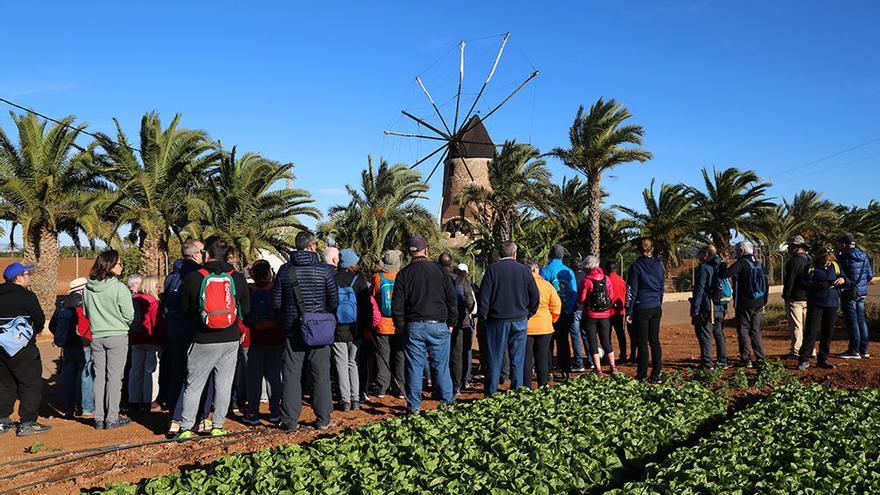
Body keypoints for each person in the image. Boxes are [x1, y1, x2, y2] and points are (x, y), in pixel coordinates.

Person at [175, 238, 250, 438]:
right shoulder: (237, 277)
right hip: (230, 337)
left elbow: (183, 308)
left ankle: (186, 428)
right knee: (224, 383)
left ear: (207, 255)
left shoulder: (194, 277)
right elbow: (246, 309)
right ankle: (218, 425)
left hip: (202, 338)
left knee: (194, 384)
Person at [275, 231, 338, 431]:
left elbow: (276, 303)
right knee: (321, 375)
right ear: (313, 246)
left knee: (291, 375)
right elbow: (334, 301)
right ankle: (323, 419)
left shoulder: (285, 271)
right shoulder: (325, 270)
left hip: (292, 330)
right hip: (320, 330)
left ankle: (290, 421)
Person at [392, 235, 458, 414]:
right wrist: (452, 322)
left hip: (414, 326)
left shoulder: (404, 274)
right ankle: (447, 404)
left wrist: (400, 326)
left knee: (414, 367)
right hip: (438, 325)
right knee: (441, 367)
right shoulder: (441, 271)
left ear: (409, 253)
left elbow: (397, 304)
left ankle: (413, 407)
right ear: (426, 250)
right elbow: (452, 299)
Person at [478, 241, 539, 395]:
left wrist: (485, 317)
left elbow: (484, 298)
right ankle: (517, 391)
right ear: (515, 254)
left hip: (497, 320)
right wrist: (528, 313)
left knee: (495, 358)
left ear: (500, 253)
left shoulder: (492, 270)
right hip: (519, 320)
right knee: (517, 359)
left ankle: (491, 393)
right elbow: (535, 296)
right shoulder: (524, 271)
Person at [83, 250, 135, 429]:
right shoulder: (119, 288)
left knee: (99, 377)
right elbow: (129, 314)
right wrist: (121, 323)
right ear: (110, 265)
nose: (122, 266)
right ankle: (112, 417)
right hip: (117, 335)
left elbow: (86, 313)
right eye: (119, 263)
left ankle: (99, 417)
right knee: (114, 378)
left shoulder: (87, 288)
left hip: (97, 336)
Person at [0, 262, 50, 436]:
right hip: (22, 348)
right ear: (19, 278)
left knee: (5, 383)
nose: (30, 277)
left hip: (0, 348)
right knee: (30, 382)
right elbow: (39, 319)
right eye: (28, 274)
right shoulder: (27, 296)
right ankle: (28, 422)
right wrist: (32, 333)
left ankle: (2, 420)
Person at [163, 238, 206, 431]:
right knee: (194, 375)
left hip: (173, 330)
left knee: (177, 371)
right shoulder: (197, 274)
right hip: (191, 330)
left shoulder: (171, 276)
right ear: (196, 255)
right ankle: (189, 417)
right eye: (203, 252)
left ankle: (174, 412)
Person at [242, 260, 284, 426]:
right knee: (274, 377)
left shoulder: (249, 291)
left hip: (254, 339)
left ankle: (252, 412)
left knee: (254, 377)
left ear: (253, 274)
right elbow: (282, 311)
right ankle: (275, 413)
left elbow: (244, 313)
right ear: (269, 272)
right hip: (275, 338)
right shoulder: (275, 290)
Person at [331, 248, 371, 412]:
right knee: (353, 363)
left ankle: (345, 400)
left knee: (340, 364)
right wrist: (366, 326)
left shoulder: (332, 279)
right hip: (356, 329)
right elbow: (367, 306)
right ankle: (356, 399)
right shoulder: (359, 280)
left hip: (338, 328)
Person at [50, 277, 94, 419]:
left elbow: (52, 325)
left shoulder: (62, 303)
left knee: (67, 377)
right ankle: (86, 408)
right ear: (82, 289)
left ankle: (68, 407)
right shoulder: (86, 303)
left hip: (68, 346)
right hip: (85, 344)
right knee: (86, 376)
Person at [797, 249, 847, 371]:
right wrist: (819, 285)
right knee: (811, 332)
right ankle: (804, 359)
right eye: (825, 262)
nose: (827, 264)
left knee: (827, 332)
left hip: (832, 303)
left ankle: (823, 358)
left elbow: (845, 279)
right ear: (818, 259)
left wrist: (842, 280)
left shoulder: (835, 266)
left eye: (828, 262)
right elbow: (802, 284)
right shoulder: (811, 268)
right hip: (816, 303)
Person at [722, 240, 768, 368]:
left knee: (743, 330)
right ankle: (760, 359)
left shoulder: (741, 263)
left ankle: (746, 359)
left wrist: (722, 265)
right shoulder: (759, 264)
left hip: (745, 303)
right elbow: (766, 283)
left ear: (742, 251)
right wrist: (764, 301)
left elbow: (725, 274)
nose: (735, 253)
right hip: (758, 302)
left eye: (736, 250)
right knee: (755, 331)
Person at [625, 238, 665, 382]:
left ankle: (642, 374)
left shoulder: (636, 266)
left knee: (642, 342)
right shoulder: (659, 265)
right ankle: (657, 373)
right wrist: (658, 303)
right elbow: (661, 287)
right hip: (655, 306)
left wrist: (628, 310)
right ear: (652, 248)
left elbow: (631, 290)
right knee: (654, 340)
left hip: (641, 307)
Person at [372, 250, 406, 399]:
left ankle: (381, 388)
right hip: (400, 323)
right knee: (400, 355)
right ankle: (401, 387)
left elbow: (373, 297)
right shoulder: (402, 276)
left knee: (383, 356)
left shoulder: (377, 278)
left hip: (382, 324)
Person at [540, 245, 578, 376]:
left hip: (549, 312)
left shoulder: (545, 271)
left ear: (550, 255)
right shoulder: (569, 271)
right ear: (562, 256)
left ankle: (549, 369)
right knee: (564, 341)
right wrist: (568, 309)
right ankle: (565, 370)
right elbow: (574, 293)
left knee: (548, 342)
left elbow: (541, 290)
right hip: (566, 312)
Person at [690, 245, 728, 370]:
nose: (698, 255)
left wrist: (695, 308)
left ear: (706, 254)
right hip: (719, 306)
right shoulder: (720, 267)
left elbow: (700, 289)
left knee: (705, 334)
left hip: (707, 307)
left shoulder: (704, 268)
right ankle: (723, 361)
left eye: (700, 252)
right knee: (718, 334)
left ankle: (707, 363)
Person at [524, 259, 560, 388]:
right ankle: (543, 385)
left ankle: (526, 387)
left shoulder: (522, 285)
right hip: (544, 327)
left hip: (526, 326)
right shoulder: (547, 285)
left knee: (526, 360)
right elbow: (556, 306)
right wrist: (552, 320)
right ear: (536, 269)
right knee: (542, 358)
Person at [579, 256, 618, 375]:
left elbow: (581, 298)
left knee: (593, 342)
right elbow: (611, 295)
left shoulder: (586, 280)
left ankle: (598, 369)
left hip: (590, 315)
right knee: (606, 341)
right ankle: (613, 366)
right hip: (605, 314)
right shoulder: (606, 278)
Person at [129, 276, 163, 412]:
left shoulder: (133, 300)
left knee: (135, 370)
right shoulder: (153, 302)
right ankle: (150, 400)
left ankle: (133, 399)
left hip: (135, 339)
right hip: (151, 339)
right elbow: (156, 323)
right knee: (151, 372)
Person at [836, 234, 873, 359]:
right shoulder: (864, 255)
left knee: (852, 321)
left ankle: (854, 350)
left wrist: (848, 283)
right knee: (861, 321)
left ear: (845, 244)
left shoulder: (843, 256)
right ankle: (864, 349)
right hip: (861, 292)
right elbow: (870, 276)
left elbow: (839, 274)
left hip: (849, 292)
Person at [782, 236, 813, 359]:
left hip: (795, 298)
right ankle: (810, 350)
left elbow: (790, 281)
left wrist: (787, 296)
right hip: (809, 297)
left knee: (796, 325)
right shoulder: (810, 260)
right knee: (808, 326)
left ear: (796, 248)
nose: (789, 248)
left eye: (791, 246)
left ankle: (796, 350)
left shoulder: (793, 262)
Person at [450, 263, 476, 394]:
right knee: (465, 352)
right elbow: (470, 302)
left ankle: (455, 382)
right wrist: (470, 313)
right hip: (464, 323)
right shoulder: (465, 282)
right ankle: (463, 381)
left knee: (454, 353)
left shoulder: (450, 280)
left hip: (450, 322)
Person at [604, 261, 630, 364]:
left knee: (606, 334)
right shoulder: (621, 280)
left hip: (608, 311)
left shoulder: (606, 280)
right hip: (619, 311)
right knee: (620, 333)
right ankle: (623, 354)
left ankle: (608, 356)